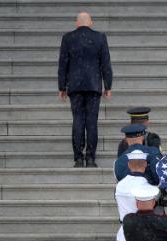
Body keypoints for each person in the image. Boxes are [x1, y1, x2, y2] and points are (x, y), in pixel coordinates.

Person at [58, 12, 113, 168]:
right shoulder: (100, 38)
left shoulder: (68, 38)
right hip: (93, 85)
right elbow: (106, 64)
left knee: (77, 120)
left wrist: (62, 86)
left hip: (75, 86)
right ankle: (90, 158)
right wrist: (108, 86)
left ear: (76, 23)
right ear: (91, 23)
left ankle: (78, 158)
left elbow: (63, 64)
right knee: (91, 122)